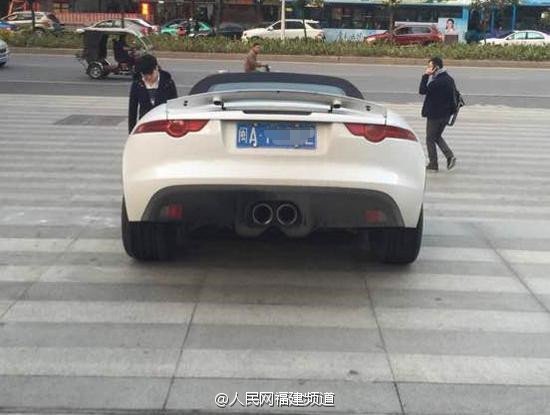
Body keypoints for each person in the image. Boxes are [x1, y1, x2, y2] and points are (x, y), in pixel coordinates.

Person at [419, 56, 457, 171]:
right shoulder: (449, 79)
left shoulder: (436, 83)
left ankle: (433, 164)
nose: (428, 69)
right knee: (436, 136)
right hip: (446, 115)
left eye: (430, 67)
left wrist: (425, 75)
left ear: (437, 67)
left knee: (430, 138)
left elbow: (422, 90)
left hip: (435, 116)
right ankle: (450, 156)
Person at [128, 54, 178, 133]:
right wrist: (131, 133)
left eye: (150, 74)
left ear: (156, 68)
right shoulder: (137, 84)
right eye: (144, 75)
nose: (148, 78)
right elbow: (132, 111)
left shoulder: (168, 83)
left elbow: (174, 107)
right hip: (145, 126)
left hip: (163, 126)